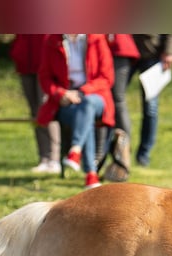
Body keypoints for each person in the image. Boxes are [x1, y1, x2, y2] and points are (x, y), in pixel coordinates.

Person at [37, 34, 115, 191]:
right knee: (85, 120)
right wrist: (61, 94)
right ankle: (91, 174)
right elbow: (45, 77)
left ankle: (76, 150)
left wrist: (82, 92)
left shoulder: (96, 39)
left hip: (95, 96)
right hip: (66, 101)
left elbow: (106, 78)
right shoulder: (52, 41)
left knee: (87, 105)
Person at [10, 34, 61, 174]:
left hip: (45, 59)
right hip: (25, 61)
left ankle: (54, 158)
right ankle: (43, 157)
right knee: (35, 113)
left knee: (47, 109)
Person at [129, 34, 172, 167]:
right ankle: (116, 152)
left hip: (152, 53)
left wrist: (169, 51)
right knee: (113, 102)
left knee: (150, 108)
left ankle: (143, 155)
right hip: (126, 50)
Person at [102, 34, 139, 182]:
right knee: (106, 101)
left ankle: (124, 153)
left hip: (118, 48)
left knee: (117, 99)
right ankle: (106, 155)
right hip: (103, 47)